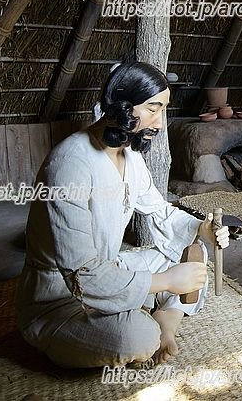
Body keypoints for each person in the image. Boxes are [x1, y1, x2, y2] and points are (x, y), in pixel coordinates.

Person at [16, 62, 229, 368]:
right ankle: (145, 327)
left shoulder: (128, 155)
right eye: (153, 109)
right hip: (60, 300)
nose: (159, 122)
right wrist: (166, 280)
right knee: (136, 338)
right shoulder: (69, 166)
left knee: (192, 253)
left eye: (164, 110)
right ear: (123, 105)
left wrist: (203, 228)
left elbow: (159, 212)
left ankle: (166, 324)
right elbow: (83, 275)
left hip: (110, 267)